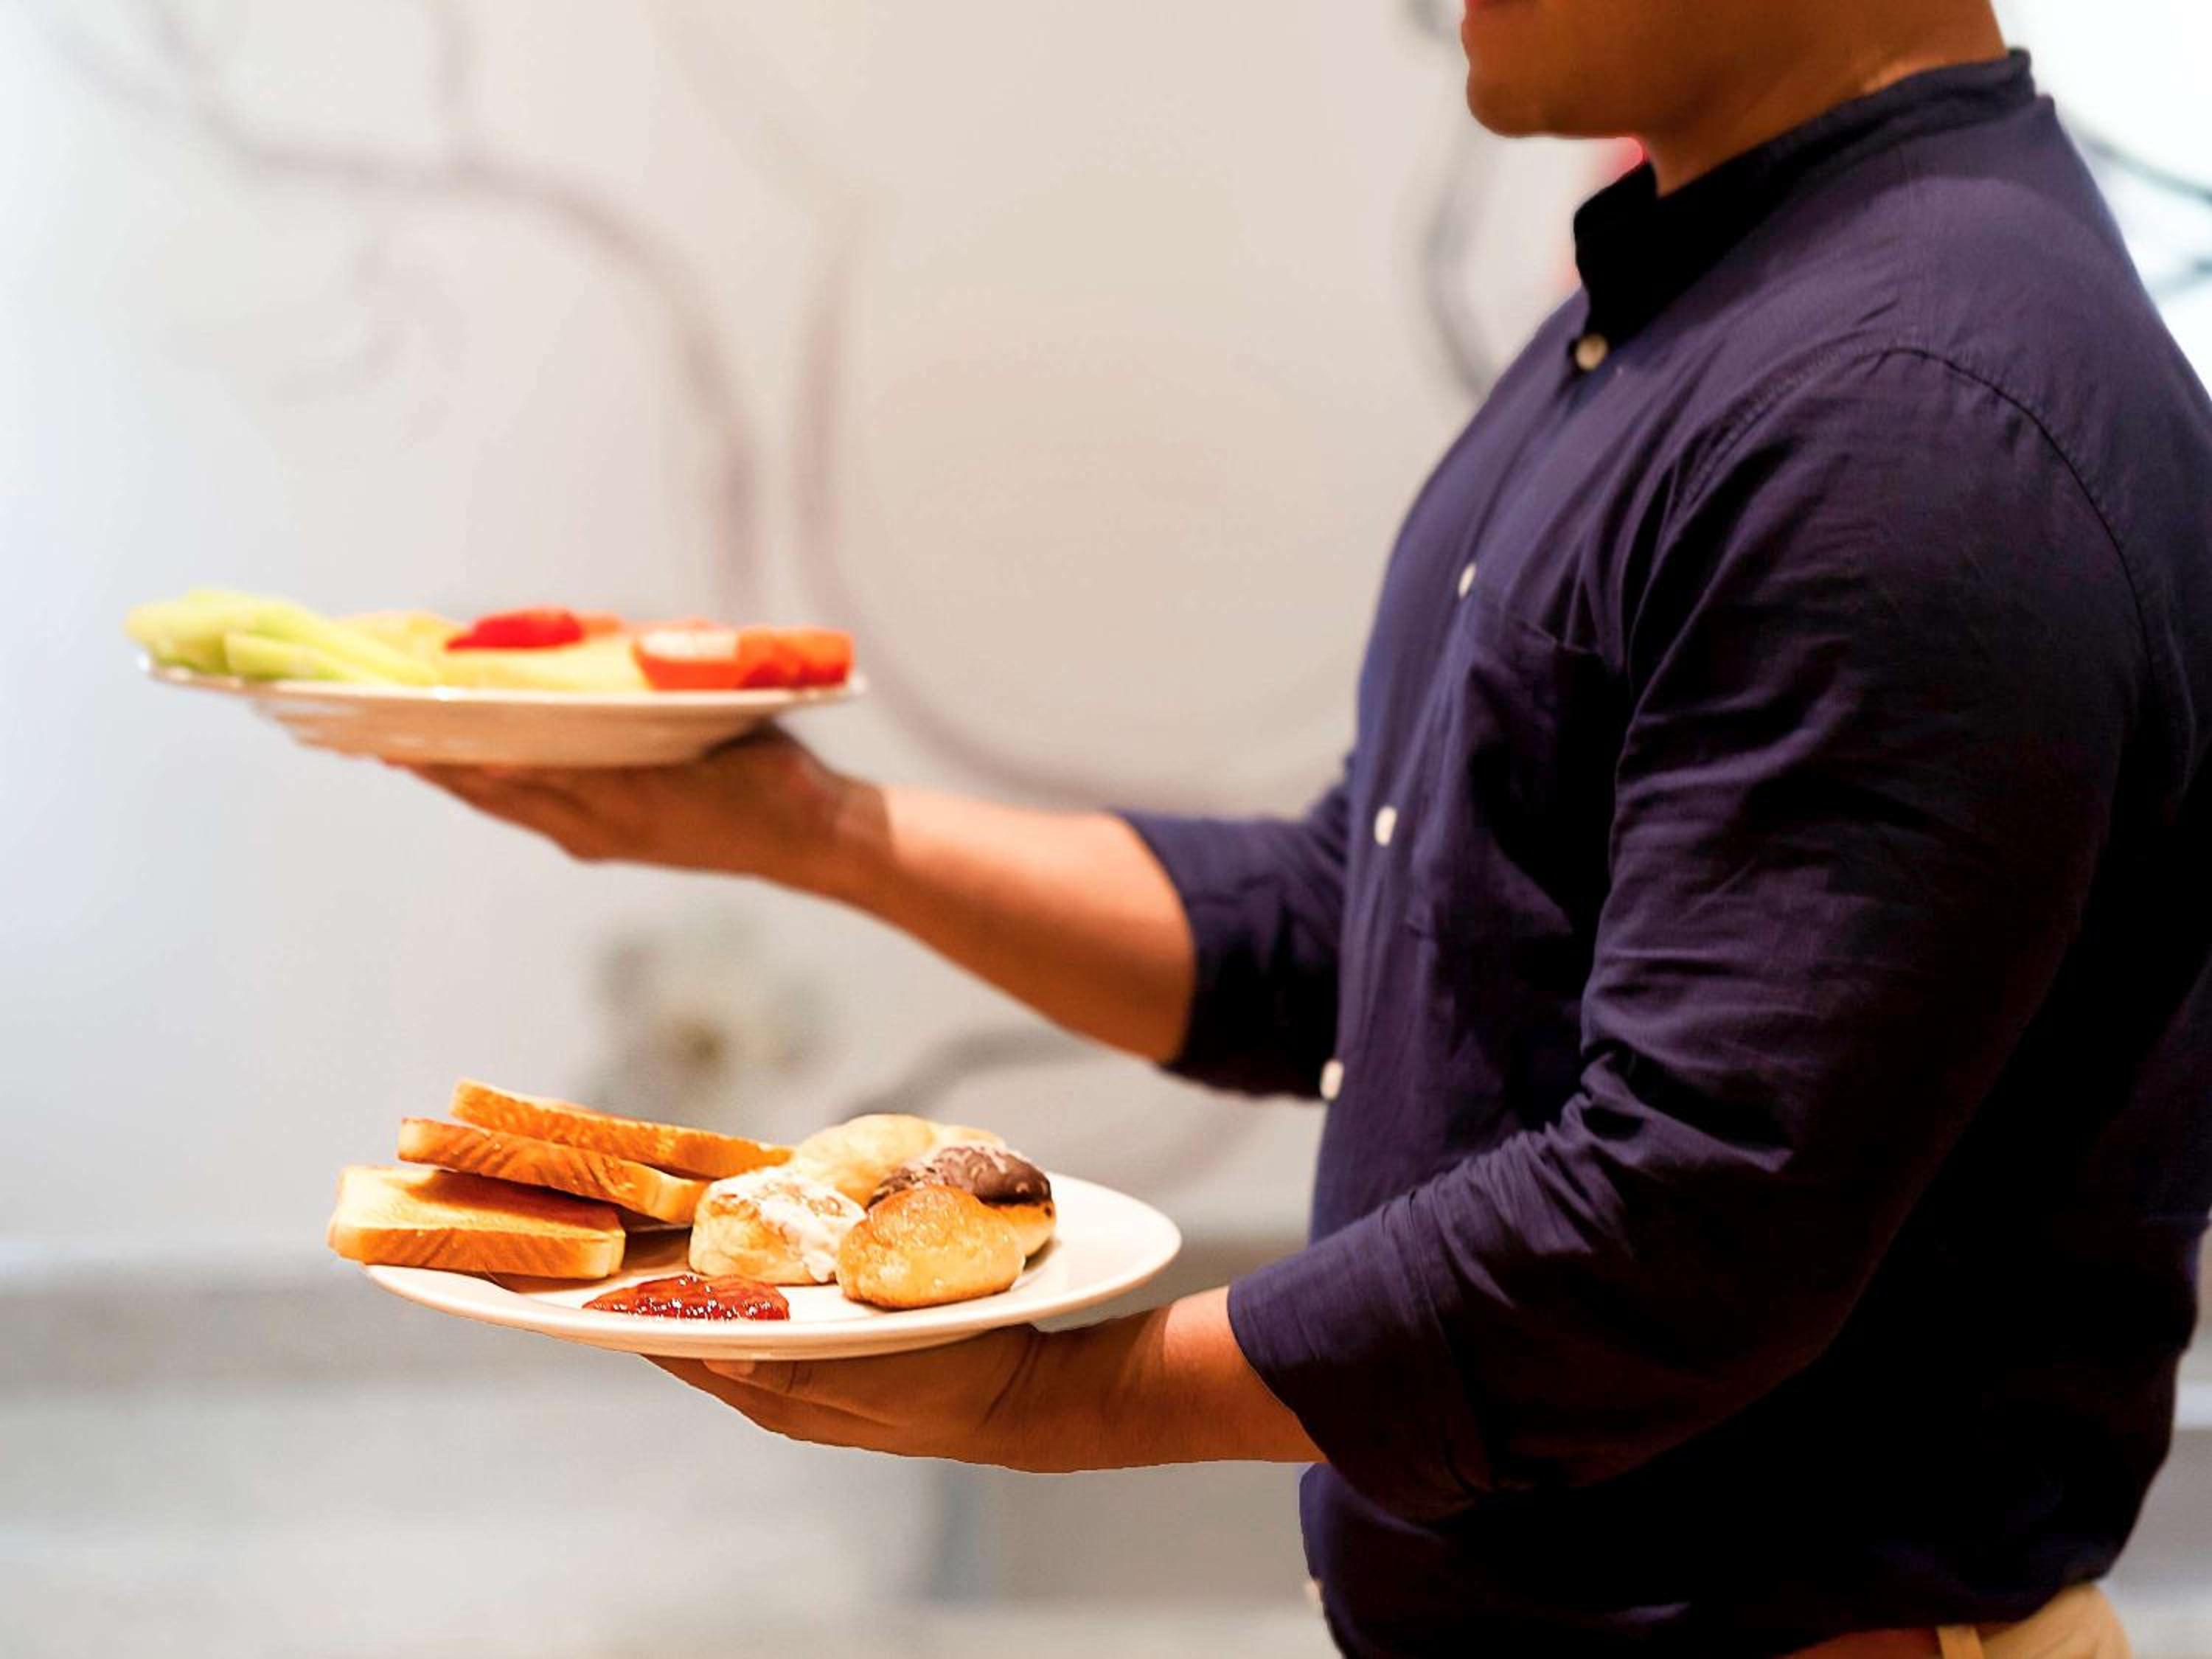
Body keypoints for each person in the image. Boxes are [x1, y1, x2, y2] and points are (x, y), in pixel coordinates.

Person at [414, 0, 2212, 1652]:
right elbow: (1369, 924)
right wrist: (806, 827)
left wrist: (1054, 1400)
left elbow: (1680, 1227)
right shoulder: (1714, 301)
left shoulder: (1902, 413)